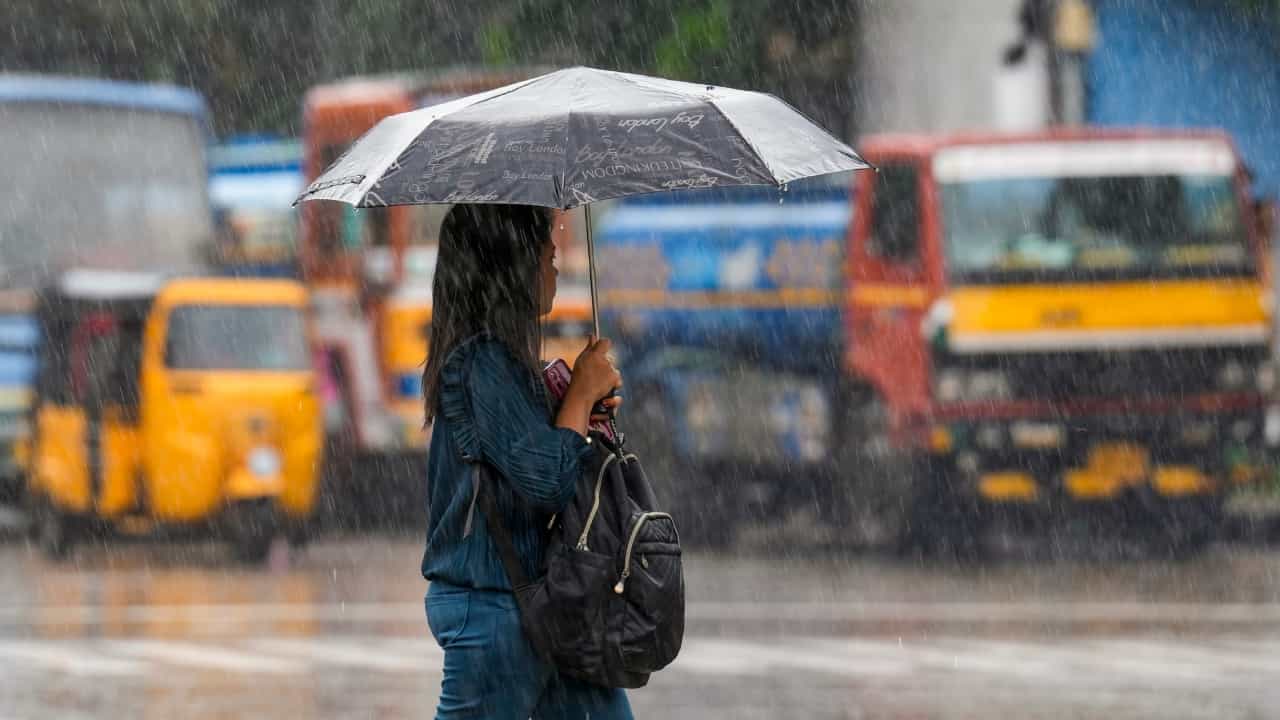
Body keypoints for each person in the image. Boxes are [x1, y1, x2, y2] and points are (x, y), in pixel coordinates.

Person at [420, 204, 631, 719]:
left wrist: (580, 406)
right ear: (510, 267)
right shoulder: (479, 364)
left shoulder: (508, 366)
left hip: (549, 601)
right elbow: (548, 479)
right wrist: (579, 396)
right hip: (496, 609)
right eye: (545, 253)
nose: (554, 264)